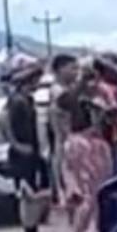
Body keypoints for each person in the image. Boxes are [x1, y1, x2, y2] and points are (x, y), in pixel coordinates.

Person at [6, 60, 55, 232]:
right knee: (27, 196)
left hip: (31, 150)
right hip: (22, 152)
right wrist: (17, 145)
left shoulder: (26, 99)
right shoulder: (17, 101)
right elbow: (6, 125)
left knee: (34, 194)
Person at [59, 94, 113, 232]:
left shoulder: (80, 130)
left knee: (91, 198)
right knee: (89, 199)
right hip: (87, 149)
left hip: (86, 147)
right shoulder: (89, 121)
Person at [48, 54, 80, 204]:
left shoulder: (69, 89)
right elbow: (68, 100)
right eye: (72, 68)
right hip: (63, 147)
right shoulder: (57, 90)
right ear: (60, 70)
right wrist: (83, 83)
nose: (76, 72)